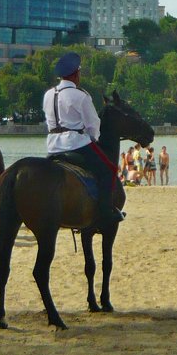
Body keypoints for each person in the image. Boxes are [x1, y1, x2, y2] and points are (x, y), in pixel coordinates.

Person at [42, 52, 123, 229]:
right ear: (76, 74)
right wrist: (94, 138)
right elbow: (94, 124)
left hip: (53, 146)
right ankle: (105, 210)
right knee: (109, 169)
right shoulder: (81, 95)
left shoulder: (49, 94)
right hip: (75, 144)